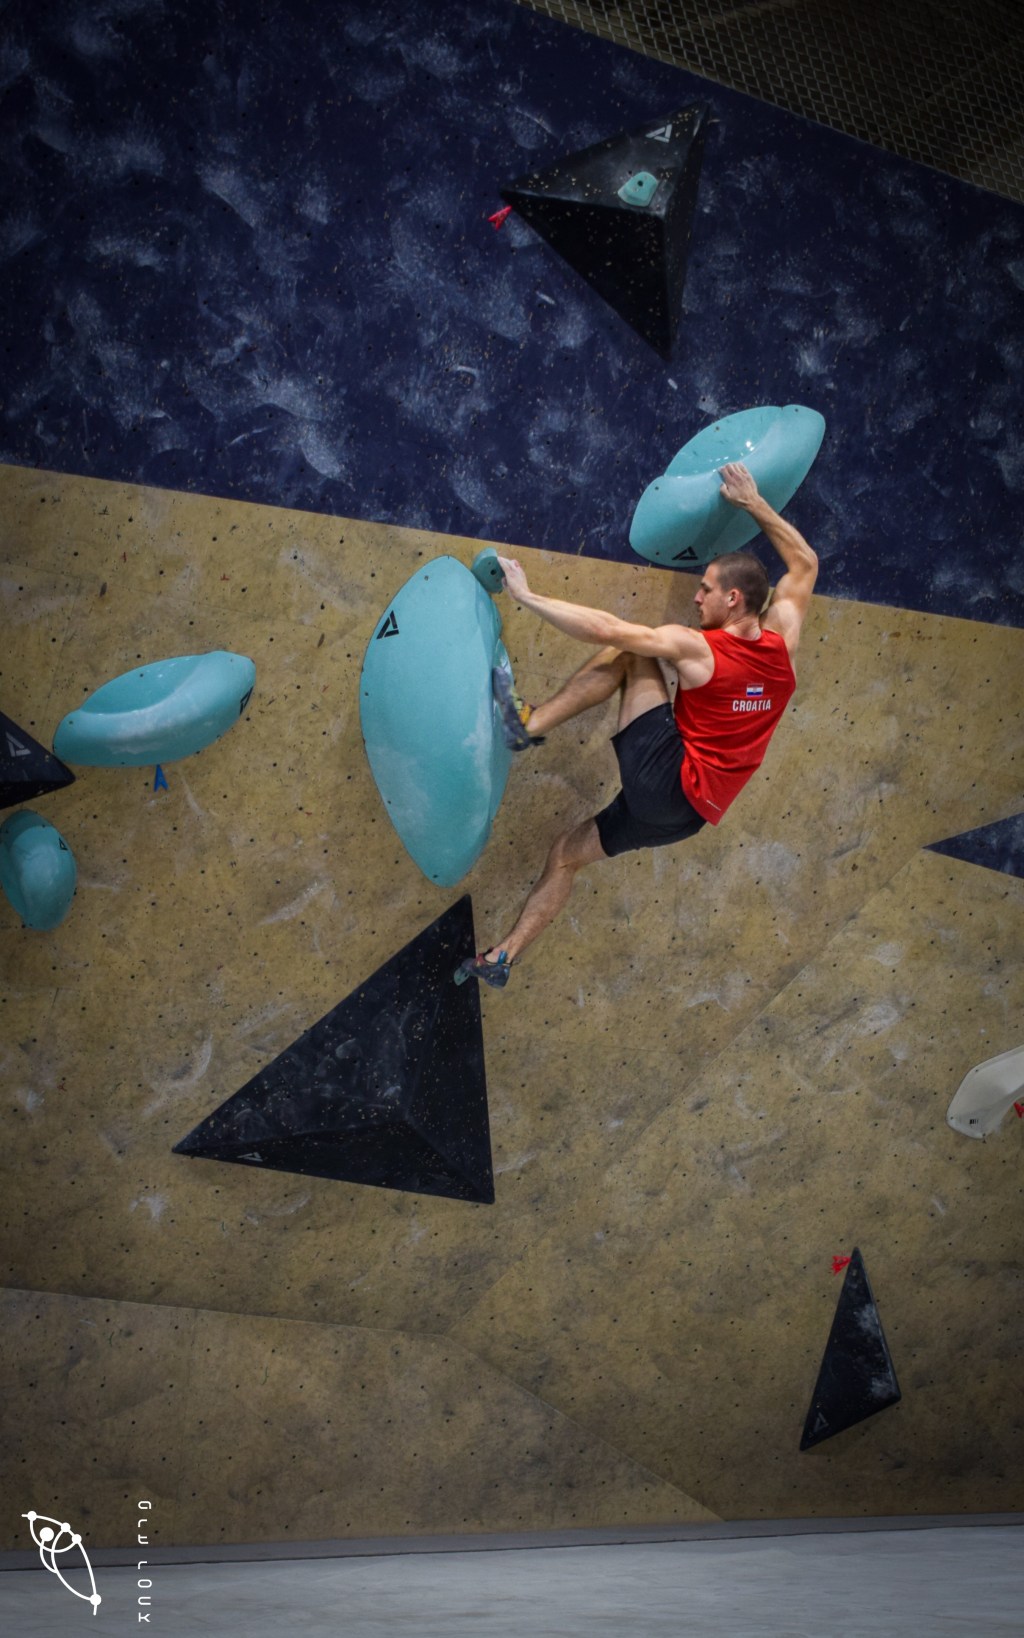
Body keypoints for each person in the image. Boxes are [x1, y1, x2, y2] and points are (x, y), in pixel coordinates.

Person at [455, 461, 818, 988]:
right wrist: (753, 503)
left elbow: (607, 628)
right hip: (685, 817)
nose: (696, 598)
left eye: (706, 589)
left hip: (668, 779)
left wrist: (528, 596)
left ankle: (527, 723)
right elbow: (804, 562)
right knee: (566, 855)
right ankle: (502, 956)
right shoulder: (783, 642)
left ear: (733, 598)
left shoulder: (701, 650)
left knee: (630, 651)